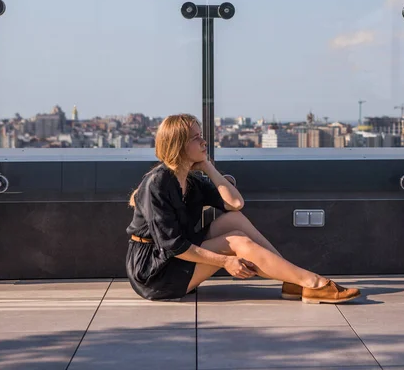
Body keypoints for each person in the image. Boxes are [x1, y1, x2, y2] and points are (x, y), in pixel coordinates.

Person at [126, 114, 361, 304]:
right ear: (178, 145)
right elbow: (173, 245)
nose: (204, 141)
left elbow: (235, 204)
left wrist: (207, 166)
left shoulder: (191, 180)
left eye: (201, 136)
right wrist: (225, 262)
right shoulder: (158, 182)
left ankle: (294, 280)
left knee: (234, 221)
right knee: (237, 242)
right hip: (155, 272)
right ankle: (312, 283)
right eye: (196, 139)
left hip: (176, 254)